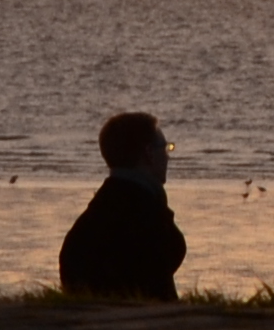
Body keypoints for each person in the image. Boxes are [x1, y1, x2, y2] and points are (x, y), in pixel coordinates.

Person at [55, 110, 186, 300]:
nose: (168, 157)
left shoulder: (97, 214)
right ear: (149, 153)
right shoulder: (144, 214)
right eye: (164, 148)